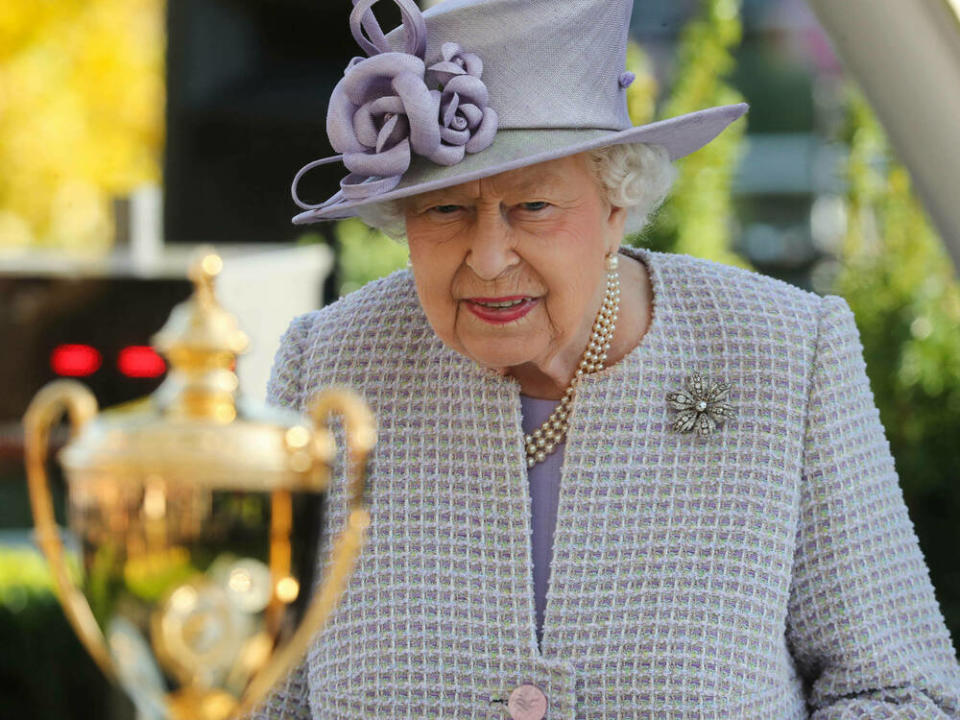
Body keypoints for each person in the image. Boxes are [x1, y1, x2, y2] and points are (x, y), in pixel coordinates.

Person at [255, 0, 960, 717]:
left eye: (532, 206)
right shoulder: (331, 366)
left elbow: (903, 694)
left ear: (616, 206)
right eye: (445, 209)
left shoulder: (781, 351)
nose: (490, 257)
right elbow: (250, 696)